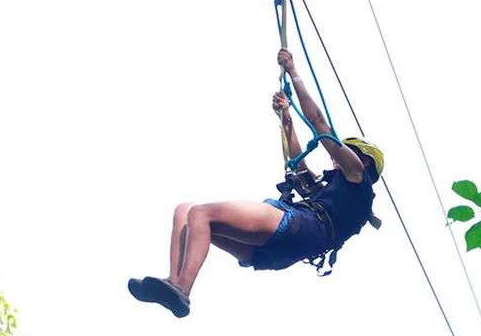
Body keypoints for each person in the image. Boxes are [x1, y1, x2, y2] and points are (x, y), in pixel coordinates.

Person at [127, 48, 384, 318]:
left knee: (200, 213)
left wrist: (294, 71)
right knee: (185, 211)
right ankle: (173, 283)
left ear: (364, 160)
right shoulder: (338, 195)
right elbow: (298, 164)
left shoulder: (357, 176)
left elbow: (320, 124)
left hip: (301, 229)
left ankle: (182, 289)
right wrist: (286, 118)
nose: (335, 161)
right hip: (282, 253)